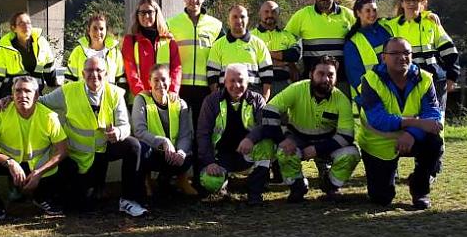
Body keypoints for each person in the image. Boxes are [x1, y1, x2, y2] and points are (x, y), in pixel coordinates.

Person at [0, 57, 148, 216]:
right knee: (78, 208)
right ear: (82, 73)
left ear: (106, 74)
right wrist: (12, 98)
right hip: (75, 155)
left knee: (133, 146)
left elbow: (125, 126)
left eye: (99, 70)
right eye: (89, 70)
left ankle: (129, 200)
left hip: (103, 149)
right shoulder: (69, 90)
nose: (94, 75)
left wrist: (118, 132)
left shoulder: (115, 93)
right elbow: (39, 101)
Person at [357, 37, 444, 209]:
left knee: (434, 142)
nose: (401, 57)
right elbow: (378, 120)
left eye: (406, 53)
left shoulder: (425, 79)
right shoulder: (370, 80)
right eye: (395, 53)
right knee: (381, 199)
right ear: (384, 57)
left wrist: (412, 134)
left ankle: (420, 189)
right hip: (379, 144)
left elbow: (433, 115)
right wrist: (415, 124)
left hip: (411, 137)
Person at [261, 56, 359, 202]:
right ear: (310, 74)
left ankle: (331, 185)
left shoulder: (342, 99)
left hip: (327, 141)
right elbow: (269, 110)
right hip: (297, 138)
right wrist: (281, 140)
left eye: (331, 75)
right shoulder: (296, 88)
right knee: (283, 152)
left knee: (352, 153)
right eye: (321, 74)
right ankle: (297, 185)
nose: (326, 79)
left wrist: (317, 149)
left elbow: (347, 136)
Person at [0, 76, 68, 224]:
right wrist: (10, 162)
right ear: (12, 95)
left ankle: (43, 197)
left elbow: (62, 151)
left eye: (27, 91)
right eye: (18, 91)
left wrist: (39, 173)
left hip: (38, 167)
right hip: (9, 163)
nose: (22, 95)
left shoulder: (49, 116)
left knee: (68, 164)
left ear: (37, 96)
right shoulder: (0, 112)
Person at [196, 64, 274, 205]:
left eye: (240, 80)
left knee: (267, 144)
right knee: (209, 182)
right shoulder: (211, 101)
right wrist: (209, 162)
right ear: (224, 82)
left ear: (247, 82)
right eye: (231, 81)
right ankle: (222, 187)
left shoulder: (257, 100)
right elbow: (203, 133)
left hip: (248, 153)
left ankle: (255, 191)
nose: (236, 85)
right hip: (220, 155)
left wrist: (250, 139)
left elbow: (265, 125)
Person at [387, 0, 460, 115]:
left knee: (437, 119)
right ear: (402, 3)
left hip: (435, 80)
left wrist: (452, 77)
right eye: (407, 0)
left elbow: (449, 51)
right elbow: (368, 21)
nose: (411, 3)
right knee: (411, 121)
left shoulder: (431, 23)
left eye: (416, 0)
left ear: (422, 3)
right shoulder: (391, 26)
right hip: (405, 81)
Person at [131, 64, 196, 197]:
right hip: (154, 153)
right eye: (156, 80)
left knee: (193, 146)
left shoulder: (180, 103)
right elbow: (139, 131)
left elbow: (185, 134)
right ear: (149, 82)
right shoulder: (141, 100)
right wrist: (162, 141)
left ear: (170, 81)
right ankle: (146, 182)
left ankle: (181, 180)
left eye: (164, 79)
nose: (160, 84)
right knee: (140, 148)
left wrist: (181, 152)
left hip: (174, 155)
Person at [167, 0, 224, 130]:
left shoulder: (215, 25)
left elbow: (223, 55)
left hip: (205, 87)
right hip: (179, 86)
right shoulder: (171, 23)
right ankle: (181, 154)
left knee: (202, 128)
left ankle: (201, 154)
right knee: (179, 127)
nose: (194, 0)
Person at [284, 0, 355, 96]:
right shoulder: (302, 15)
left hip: (341, 79)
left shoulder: (348, 15)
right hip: (312, 79)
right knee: (311, 112)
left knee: (342, 112)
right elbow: (285, 39)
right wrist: (291, 65)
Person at [0, 12, 57, 110]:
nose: (26, 26)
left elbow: (49, 69)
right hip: (9, 101)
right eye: (21, 23)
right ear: (13, 28)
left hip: (35, 98)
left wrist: (54, 84)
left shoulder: (42, 43)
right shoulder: (4, 49)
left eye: (28, 23)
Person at [207, 5, 273, 100]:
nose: (238, 20)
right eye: (235, 17)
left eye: (242, 17)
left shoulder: (259, 44)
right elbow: (212, 74)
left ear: (248, 19)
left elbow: (267, 74)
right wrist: (217, 98)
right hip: (225, 98)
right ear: (228, 19)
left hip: (252, 97)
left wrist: (264, 98)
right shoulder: (218, 45)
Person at [122, 0, 181, 103]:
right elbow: (130, 69)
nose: (146, 16)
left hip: (165, 97)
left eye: (150, 12)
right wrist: (140, 91)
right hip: (140, 97)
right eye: (142, 13)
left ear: (156, 13)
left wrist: (173, 90)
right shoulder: (130, 40)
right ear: (137, 15)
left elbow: (176, 68)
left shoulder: (168, 40)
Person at [343, 0, 391, 100]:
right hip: (372, 94)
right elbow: (354, 75)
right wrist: (368, 96)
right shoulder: (352, 41)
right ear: (358, 13)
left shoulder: (385, 28)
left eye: (374, 10)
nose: (372, 14)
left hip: (393, 88)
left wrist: (428, 15)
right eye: (368, 11)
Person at [250, 0, 301, 97]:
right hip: (257, 87)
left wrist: (265, 54)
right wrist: (285, 62)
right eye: (266, 12)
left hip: (284, 86)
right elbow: (250, 59)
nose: (270, 14)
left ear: (278, 14)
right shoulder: (250, 36)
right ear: (260, 14)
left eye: (274, 12)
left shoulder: (287, 36)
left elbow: (295, 54)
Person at [65, 12, 125, 87]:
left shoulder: (115, 52)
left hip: (108, 98)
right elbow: (69, 81)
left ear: (106, 31)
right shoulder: (78, 52)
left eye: (101, 29)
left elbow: (121, 81)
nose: (98, 32)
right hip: (83, 97)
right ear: (88, 31)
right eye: (95, 28)